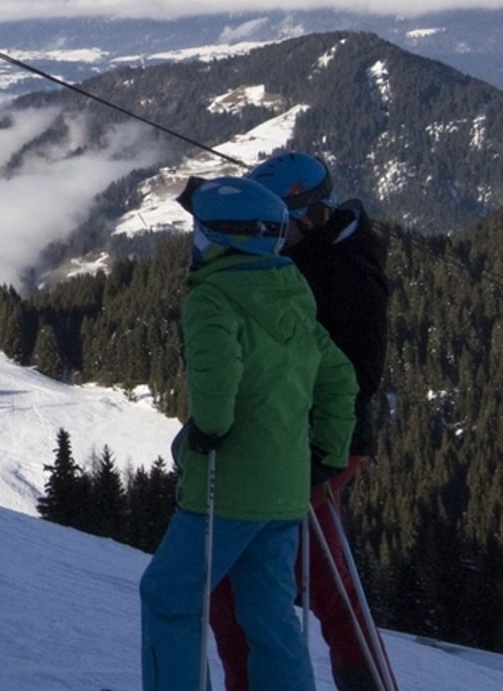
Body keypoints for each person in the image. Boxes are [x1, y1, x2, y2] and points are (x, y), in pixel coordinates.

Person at [139, 175, 357, 691]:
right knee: (268, 611)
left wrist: (210, 430)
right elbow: (338, 378)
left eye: (201, 233)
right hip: (285, 490)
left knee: (169, 597)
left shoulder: (212, 297)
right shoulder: (290, 291)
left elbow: (217, 378)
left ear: (223, 238)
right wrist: (329, 449)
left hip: (229, 485)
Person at [210, 152, 391, 691]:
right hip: (285, 441)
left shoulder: (347, 274)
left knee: (251, 581)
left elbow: (355, 377)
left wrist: (317, 447)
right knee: (313, 578)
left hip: (314, 446)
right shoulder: (313, 256)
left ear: (313, 215)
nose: (272, 236)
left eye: (281, 224)